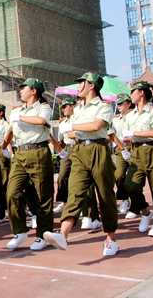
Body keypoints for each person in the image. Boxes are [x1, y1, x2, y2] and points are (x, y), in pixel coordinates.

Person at [45, 72, 119, 256]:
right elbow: (71, 134)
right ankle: (63, 234)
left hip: (98, 150)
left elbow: (96, 126)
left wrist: (74, 127)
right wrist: (72, 129)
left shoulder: (104, 106)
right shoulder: (77, 109)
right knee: (75, 191)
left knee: (105, 194)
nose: (78, 87)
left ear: (92, 85)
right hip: (79, 151)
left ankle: (111, 238)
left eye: (81, 84)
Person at [4, 78, 54, 251]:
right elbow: (10, 132)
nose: (20, 91)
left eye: (23, 88)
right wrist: (4, 147)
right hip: (20, 153)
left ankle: (43, 234)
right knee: (12, 193)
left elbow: (41, 121)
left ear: (33, 91)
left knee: (42, 196)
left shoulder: (44, 107)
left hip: (38, 151)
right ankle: (20, 231)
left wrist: (19, 116)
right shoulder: (18, 111)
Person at [122, 80, 153, 237]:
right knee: (130, 185)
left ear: (141, 92)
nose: (130, 95)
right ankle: (145, 212)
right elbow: (128, 136)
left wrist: (133, 134)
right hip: (137, 153)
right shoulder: (130, 115)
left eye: (132, 91)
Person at [108, 93, 135, 217]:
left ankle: (136, 203)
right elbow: (111, 134)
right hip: (120, 149)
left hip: (134, 149)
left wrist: (127, 139)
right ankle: (125, 199)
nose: (119, 106)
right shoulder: (115, 119)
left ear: (129, 104)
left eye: (121, 103)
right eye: (117, 103)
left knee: (134, 178)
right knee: (119, 175)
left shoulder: (135, 116)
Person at [53, 97, 76, 215]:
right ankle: (64, 201)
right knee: (62, 176)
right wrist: (60, 151)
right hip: (67, 149)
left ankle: (81, 204)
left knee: (80, 177)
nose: (63, 109)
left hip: (78, 147)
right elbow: (60, 140)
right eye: (62, 107)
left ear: (72, 106)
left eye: (65, 106)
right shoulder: (62, 122)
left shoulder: (78, 119)